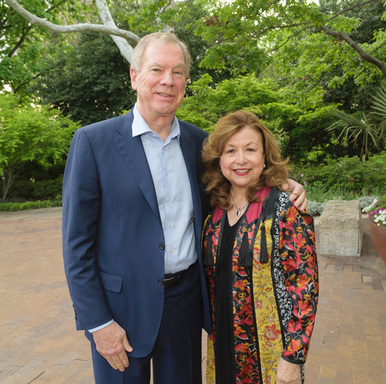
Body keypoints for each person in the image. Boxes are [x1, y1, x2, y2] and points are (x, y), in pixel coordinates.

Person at [62, 32, 307, 384]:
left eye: (177, 72)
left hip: (185, 304)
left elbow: (239, 178)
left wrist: (283, 184)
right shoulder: (93, 142)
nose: (167, 81)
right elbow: (76, 246)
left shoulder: (199, 143)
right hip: (120, 312)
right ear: (134, 76)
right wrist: (98, 322)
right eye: (157, 69)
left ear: (186, 83)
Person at [201, 110, 318, 384]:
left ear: (264, 156)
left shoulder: (284, 207)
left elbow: (305, 286)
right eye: (231, 151)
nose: (240, 160)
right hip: (222, 349)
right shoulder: (214, 208)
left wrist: (293, 357)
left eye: (250, 149)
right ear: (219, 159)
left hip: (271, 354)